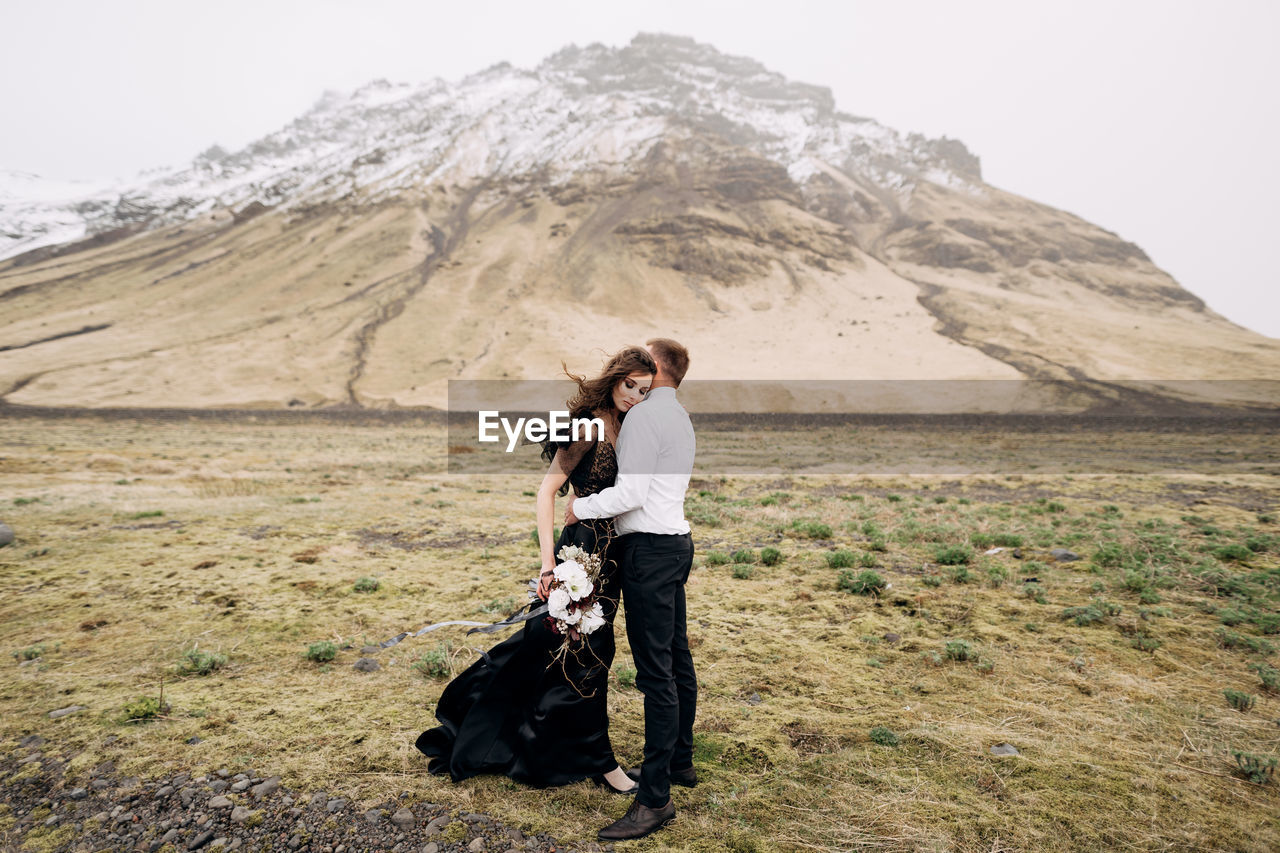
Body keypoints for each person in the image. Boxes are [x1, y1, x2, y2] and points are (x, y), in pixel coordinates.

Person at [415, 346, 657, 794]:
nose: (636, 396)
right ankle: (604, 765)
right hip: (578, 557)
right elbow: (547, 492)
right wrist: (549, 564)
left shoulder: (629, 424)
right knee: (589, 656)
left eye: (645, 390)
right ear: (615, 378)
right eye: (630, 386)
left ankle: (533, 740)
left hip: (610, 561)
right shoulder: (589, 425)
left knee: (562, 654)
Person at [565, 338, 697, 842]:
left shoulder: (643, 417)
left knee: (655, 673)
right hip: (676, 544)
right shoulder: (680, 416)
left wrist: (582, 508)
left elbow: (633, 492)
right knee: (676, 658)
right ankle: (679, 762)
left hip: (648, 551)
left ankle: (655, 799)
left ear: (657, 369)